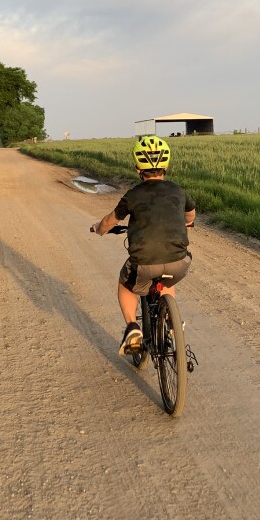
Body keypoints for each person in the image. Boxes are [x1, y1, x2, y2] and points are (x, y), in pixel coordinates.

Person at [92, 135, 195, 355]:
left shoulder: (133, 195)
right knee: (166, 277)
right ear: (166, 165)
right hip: (179, 262)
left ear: (138, 168)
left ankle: (132, 328)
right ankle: (171, 325)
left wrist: (98, 229)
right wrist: (188, 224)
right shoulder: (178, 191)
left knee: (126, 283)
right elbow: (190, 214)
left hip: (145, 264)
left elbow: (109, 221)